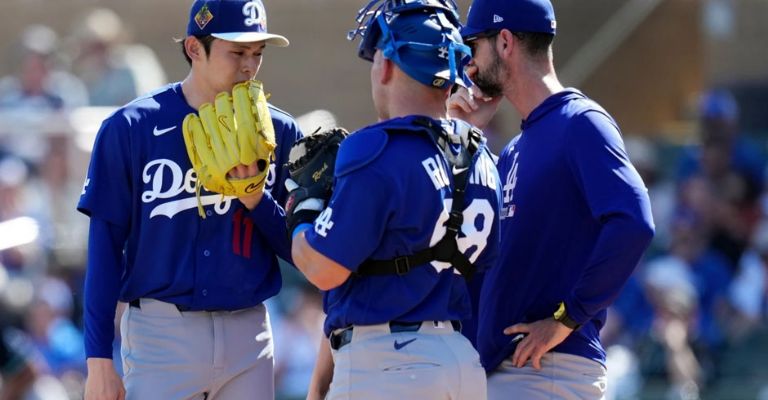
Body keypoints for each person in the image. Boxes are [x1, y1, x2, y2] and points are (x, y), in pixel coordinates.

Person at [77, 1, 302, 399]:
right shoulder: (132, 128)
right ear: (195, 48)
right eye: (237, 52)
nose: (249, 66)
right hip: (161, 335)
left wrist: (256, 199)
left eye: (257, 53)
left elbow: (300, 251)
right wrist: (98, 359)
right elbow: (105, 249)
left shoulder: (279, 131)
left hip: (248, 333)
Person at [291, 1, 501, 399]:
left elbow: (324, 270)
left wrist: (302, 212)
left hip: (390, 365)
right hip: (461, 362)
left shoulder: (373, 147)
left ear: (386, 62)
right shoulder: (483, 158)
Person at [448, 0, 655, 398]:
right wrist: (465, 135)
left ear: (505, 41)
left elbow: (634, 222)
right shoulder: (514, 148)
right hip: (508, 371)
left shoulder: (580, 122)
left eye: (474, 46)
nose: (469, 64)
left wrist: (567, 317)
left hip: (548, 370)